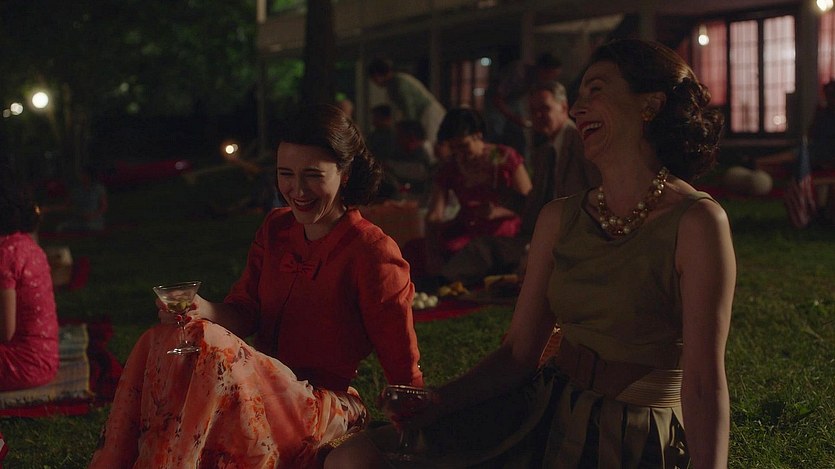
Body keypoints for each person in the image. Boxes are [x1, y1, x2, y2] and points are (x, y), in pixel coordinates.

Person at [327, 38, 734, 468]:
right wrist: (437, 401)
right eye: (577, 98)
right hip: (544, 410)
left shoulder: (696, 223)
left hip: (633, 433)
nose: (578, 110)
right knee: (354, 458)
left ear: (650, 103)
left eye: (596, 90)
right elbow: (519, 353)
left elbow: (704, 382)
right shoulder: (559, 218)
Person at [89, 104, 424, 468]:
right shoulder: (276, 228)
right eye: (285, 174)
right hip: (258, 390)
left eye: (312, 175)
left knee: (211, 345)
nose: (297, 190)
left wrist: (415, 423)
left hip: (322, 405)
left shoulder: (372, 251)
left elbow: (400, 360)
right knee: (169, 337)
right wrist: (202, 309)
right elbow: (245, 310)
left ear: (346, 174)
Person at [440, 80, 600, 286]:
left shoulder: (581, 141)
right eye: (533, 111)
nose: (538, 116)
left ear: (563, 107)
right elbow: (532, 202)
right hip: (539, 234)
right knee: (480, 247)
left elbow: (600, 193)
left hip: (572, 238)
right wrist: (500, 199)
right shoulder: (545, 152)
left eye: (545, 109)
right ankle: (441, 286)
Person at [411, 107, 532, 282]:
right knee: (416, 249)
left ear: (478, 135)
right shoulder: (451, 166)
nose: (460, 154)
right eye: (454, 148)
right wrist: (432, 254)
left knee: (472, 252)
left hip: (502, 229)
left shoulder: (504, 157)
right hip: (467, 227)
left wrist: (496, 212)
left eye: (464, 146)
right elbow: (435, 214)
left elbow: (530, 205)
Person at [0, 163, 59, 392]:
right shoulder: (26, 243)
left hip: (22, 364)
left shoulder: (5, 254)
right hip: (45, 359)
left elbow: (5, 331)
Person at [484, 52, 563, 157]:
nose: (550, 79)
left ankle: (520, 162)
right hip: (496, 101)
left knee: (520, 135)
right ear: (541, 69)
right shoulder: (517, 72)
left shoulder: (538, 80)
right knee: (496, 132)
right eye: (550, 74)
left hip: (515, 101)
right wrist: (515, 118)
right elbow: (497, 98)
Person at [367, 57, 446, 162]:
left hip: (428, 112)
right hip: (421, 114)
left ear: (377, 75)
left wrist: (408, 130)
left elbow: (409, 107)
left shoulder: (399, 82)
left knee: (430, 143)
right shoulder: (393, 84)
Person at [53, 164, 109, 232]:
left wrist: (93, 216)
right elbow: (66, 205)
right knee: (62, 227)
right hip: (78, 219)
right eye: (81, 174)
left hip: (93, 221)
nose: (81, 176)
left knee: (89, 228)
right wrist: (49, 209)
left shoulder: (98, 188)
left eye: (83, 174)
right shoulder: (76, 189)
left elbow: (103, 206)